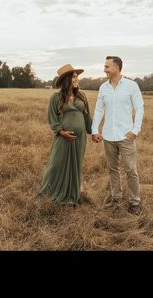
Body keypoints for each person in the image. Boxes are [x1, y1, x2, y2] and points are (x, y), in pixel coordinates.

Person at [92, 56, 144, 215]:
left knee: (131, 169)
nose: (104, 69)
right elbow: (99, 110)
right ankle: (116, 198)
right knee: (112, 169)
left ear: (116, 68)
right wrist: (95, 130)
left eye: (107, 67)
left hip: (126, 136)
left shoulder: (131, 86)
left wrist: (135, 130)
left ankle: (135, 202)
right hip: (108, 136)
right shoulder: (103, 88)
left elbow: (140, 108)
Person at [39, 64, 92, 206]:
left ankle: (71, 197)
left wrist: (93, 132)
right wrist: (62, 132)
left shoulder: (82, 96)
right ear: (67, 79)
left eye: (76, 76)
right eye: (74, 76)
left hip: (79, 139)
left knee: (76, 165)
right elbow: (52, 119)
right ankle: (48, 194)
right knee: (55, 165)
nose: (76, 79)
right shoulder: (55, 97)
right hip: (62, 138)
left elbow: (87, 117)